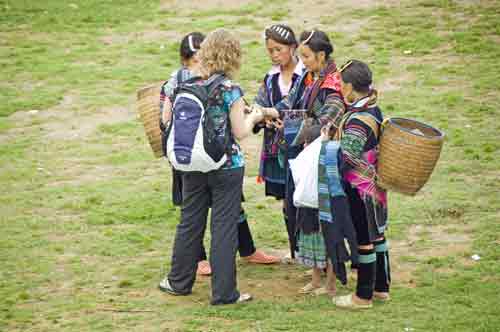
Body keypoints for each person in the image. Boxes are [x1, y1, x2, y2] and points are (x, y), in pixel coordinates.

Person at [159, 29, 280, 305]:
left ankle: (178, 282)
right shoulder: (229, 89)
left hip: (193, 164)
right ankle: (224, 293)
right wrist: (255, 117)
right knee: (223, 227)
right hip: (226, 167)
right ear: (233, 56)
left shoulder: (185, 84)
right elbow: (239, 132)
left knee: (190, 222)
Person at [260, 29, 346, 263]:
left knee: (322, 212)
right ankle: (310, 260)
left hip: (324, 156)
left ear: (321, 56)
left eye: (306, 56)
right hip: (306, 153)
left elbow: (325, 124)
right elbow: (290, 102)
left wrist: (286, 127)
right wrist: (267, 111)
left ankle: (331, 267)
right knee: (298, 206)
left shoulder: (333, 86)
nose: (303, 61)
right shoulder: (310, 77)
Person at [333, 60, 391, 309]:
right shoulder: (373, 108)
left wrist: (329, 141)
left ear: (349, 87)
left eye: (341, 84)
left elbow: (349, 154)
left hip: (360, 188)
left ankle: (363, 296)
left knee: (364, 240)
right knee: (378, 235)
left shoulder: (358, 119)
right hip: (376, 186)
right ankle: (381, 288)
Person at [253, 24, 305, 261]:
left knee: (305, 199)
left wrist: (281, 117)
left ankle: (312, 252)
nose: (274, 55)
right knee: (287, 201)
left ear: (293, 47)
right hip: (276, 148)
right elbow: (259, 105)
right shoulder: (270, 77)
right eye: (270, 51)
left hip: (303, 146)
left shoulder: (306, 74)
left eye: (279, 49)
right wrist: (263, 120)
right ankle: (296, 250)